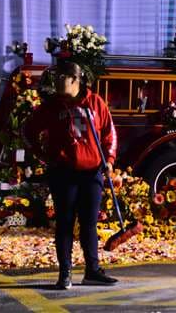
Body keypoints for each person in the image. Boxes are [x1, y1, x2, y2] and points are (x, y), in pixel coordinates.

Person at [26, 61, 119, 289]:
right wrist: (45, 156)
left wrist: (109, 160)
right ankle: (65, 272)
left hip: (92, 173)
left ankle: (93, 270)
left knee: (89, 223)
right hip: (64, 173)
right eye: (56, 77)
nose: (57, 81)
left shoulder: (96, 103)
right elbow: (28, 131)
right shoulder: (51, 107)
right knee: (65, 223)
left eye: (62, 77)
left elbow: (110, 134)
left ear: (76, 80)